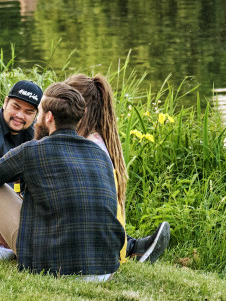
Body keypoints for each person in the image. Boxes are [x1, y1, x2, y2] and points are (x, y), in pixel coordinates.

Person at [0, 82, 125, 280]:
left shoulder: (31, 150)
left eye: (38, 112)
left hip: (51, 265)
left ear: (49, 117)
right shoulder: (100, 154)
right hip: (105, 268)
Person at [65, 74, 170, 264]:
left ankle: (132, 246)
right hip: (107, 245)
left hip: (87, 248)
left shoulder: (83, 148)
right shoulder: (97, 140)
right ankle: (133, 247)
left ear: (80, 110)